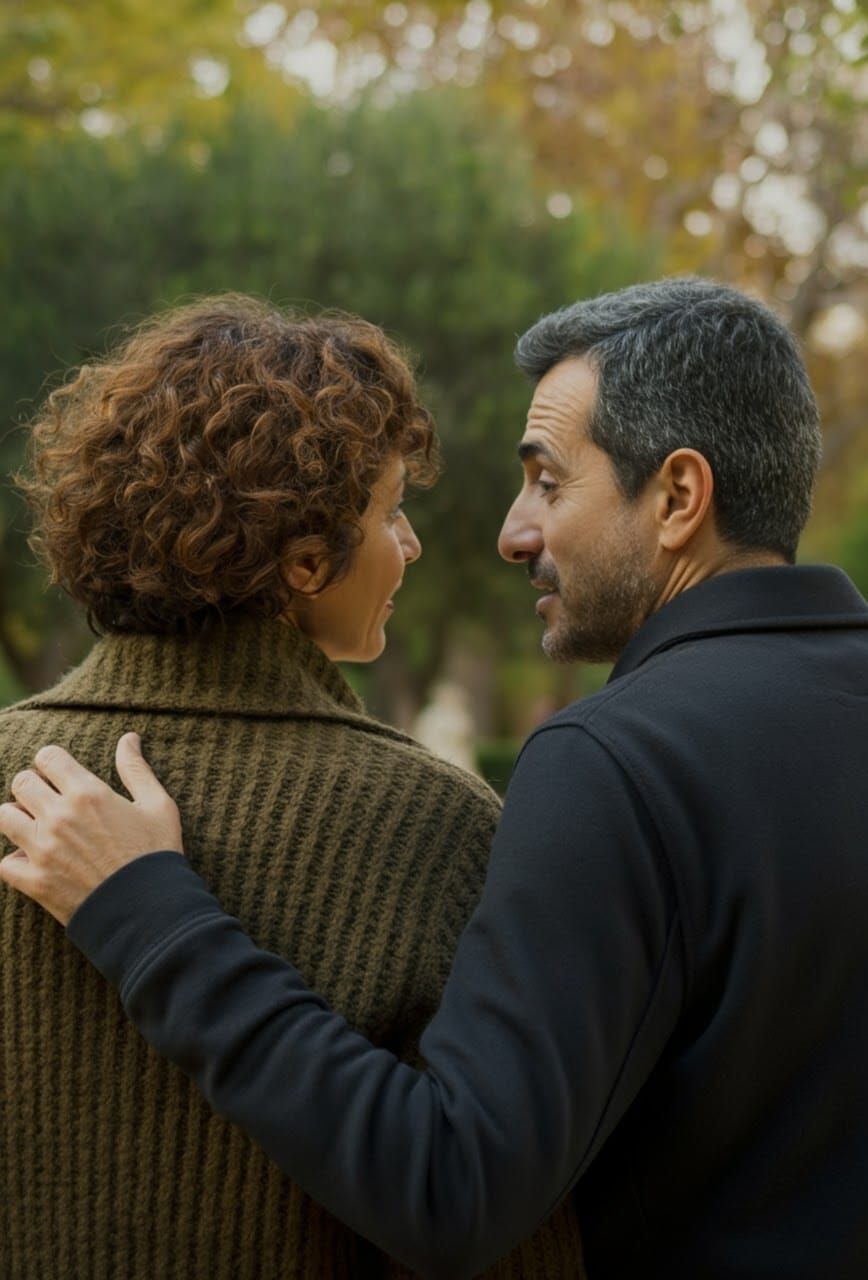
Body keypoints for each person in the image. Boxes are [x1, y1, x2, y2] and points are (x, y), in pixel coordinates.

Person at [4, 276, 868, 1279]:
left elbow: (451, 1184)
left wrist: (155, 920)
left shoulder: (610, 762)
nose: (513, 532)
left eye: (548, 483)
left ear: (679, 496)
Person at [0, 295, 583, 1278]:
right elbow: (504, 1231)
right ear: (306, 561)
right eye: (391, 507)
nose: (411, 545)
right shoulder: (433, 827)